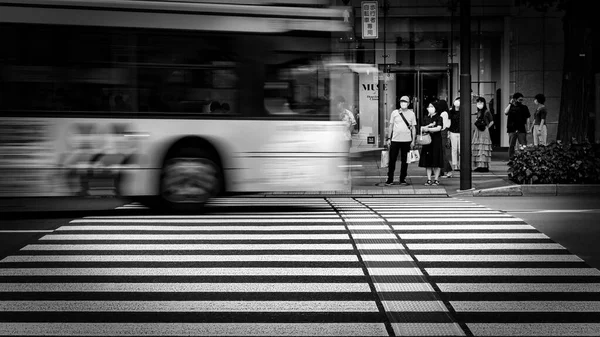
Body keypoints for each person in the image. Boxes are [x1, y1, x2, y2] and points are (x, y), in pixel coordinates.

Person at [385, 95, 416, 186]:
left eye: (405, 101)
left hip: (407, 140)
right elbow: (391, 125)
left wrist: (413, 141)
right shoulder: (394, 112)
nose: (403, 103)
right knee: (392, 160)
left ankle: (403, 178)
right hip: (395, 139)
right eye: (402, 101)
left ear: (409, 103)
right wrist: (389, 138)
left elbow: (413, 128)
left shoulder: (411, 114)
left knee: (405, 160)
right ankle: (390, 178)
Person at [418, 101, 444, 186]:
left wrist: (428, 128)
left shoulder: (439, 118)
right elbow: (421, 128)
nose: (430, 108)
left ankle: (436, 179)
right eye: (429, 106)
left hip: (436, 140)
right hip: (427, 141)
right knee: (428, 161)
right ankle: (429, 179)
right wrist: (429, 126)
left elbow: (439, 128)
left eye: (432, 106)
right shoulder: (426, 117)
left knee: (436, 160)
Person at [334, 96, 356, 184]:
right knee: (337, 158)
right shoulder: (334, 114)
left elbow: (353, 125)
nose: (339, 105)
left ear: (343, 103)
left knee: (346, 158)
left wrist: (348, 132)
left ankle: (346, 177)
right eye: (338, 103)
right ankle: (338, 175)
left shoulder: (348, 113)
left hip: (346, 139)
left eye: (341, 103)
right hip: (336, 139)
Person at [504, 92, 531, 159]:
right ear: (515, 99)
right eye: (519, 100)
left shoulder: (524, 107)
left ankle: (523, 158)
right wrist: (510, 103)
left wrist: (528, 128)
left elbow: (528, 118)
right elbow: (505, 112)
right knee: (511, 145)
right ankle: (511, 158)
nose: (521, 101)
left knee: (523, 145)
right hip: (511, 128)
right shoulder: (511, 107)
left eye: (522, 100)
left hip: (521, 128)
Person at [472, 97, 494, 172]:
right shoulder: (478, 112)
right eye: (478, 103)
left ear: (484, 103)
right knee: (478, 147)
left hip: (484, 131)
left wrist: (487, 127)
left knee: (483, 148)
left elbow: (492, 121)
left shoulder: (487, 112)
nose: (479, 104)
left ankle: (484, 166)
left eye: (481, 103)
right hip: (478, 130)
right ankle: (479, 165)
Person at [436, 99, 454, 178]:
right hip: (444, 132)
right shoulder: (447, 113)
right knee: (442, 152)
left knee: (442, 153)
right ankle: (443, 171)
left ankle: (447, 170)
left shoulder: (443, 113)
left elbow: (443, 125)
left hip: (442, 133)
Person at [447, 96, 461, 171]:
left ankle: (460, 164)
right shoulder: (451, 111)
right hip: (453, 132)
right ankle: (455, 164)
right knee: (454, 149)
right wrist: (448, 133)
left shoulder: (463, 111)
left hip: (461, 132)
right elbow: (449, 122)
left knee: (460, 149)